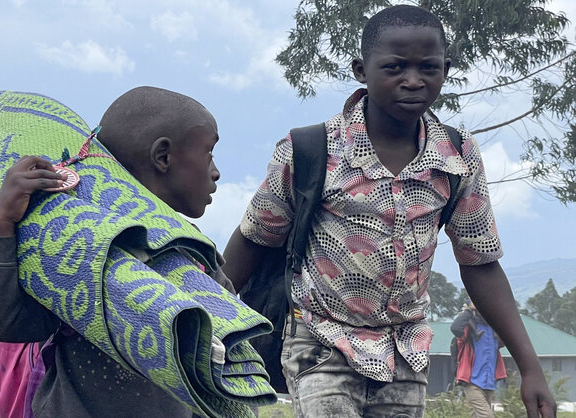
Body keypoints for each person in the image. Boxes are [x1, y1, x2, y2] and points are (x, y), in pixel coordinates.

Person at [222, 5, 556, 417]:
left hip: (405, 352)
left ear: (445, 69)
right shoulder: (311, 150)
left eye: (428, 68)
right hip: (322, 343)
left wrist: (530, 367)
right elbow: (255, 238)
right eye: (395, 67)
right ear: (362, 70)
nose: (413, 81)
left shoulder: (457, 155)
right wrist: (207, 323)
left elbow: (480, 263)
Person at [0, 86, 229, 417]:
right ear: (163, 157)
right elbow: (10, 324)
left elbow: (224, 368)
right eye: (209, 152)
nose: (216, 171)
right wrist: (3, 225)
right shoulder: (81, 245)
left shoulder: (198, 257)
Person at [451, 300, 506, 418]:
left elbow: (509, 334)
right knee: (487, 416)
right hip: (472, 383)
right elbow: (455, 328)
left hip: (489, 383)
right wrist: (469, 310)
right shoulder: (469, 329)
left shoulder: (494, 331)